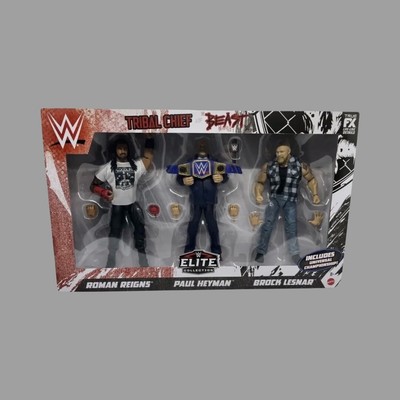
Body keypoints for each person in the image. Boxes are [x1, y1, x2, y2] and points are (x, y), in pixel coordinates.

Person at [90, 133, 154, 267]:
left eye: (125, 148)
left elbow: (148, 158)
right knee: (114, 233)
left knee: (140, 230)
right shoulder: (107, 168)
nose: (123, 151)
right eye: (120, 148)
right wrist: (103, 192)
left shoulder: (136, 166)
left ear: (129, 150)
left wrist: (149, 138)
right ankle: (111, 259)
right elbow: (93, 186)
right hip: (117, 205)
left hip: (132, 204)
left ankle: (143, 259)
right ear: (115, 150)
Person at [254, 140, 320, 264]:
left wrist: (315, 194)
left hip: (290, 200)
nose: (279, 154)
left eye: (282, 152)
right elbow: (260, 182)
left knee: (291, 228)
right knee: (267, 225)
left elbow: (311, 179)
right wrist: (258, 194)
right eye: (277, 152)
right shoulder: (269, 166)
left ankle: (295, 254)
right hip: (274, 199)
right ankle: (260, 252)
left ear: (289, 152)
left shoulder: (300, 166)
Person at [175, 140, 229, 257]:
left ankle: (216, 251)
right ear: (196, 147)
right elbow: (179, 177)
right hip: (196, 199)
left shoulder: (215, 162)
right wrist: (184, 180)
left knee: (212, 226)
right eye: (200, 145)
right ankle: (189, 251)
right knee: (193, 225)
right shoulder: (190, 162)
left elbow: (225, 176)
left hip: (210, 199)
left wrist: (221, 178)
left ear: (209, 147)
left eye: (205, 145)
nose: (202, 147)